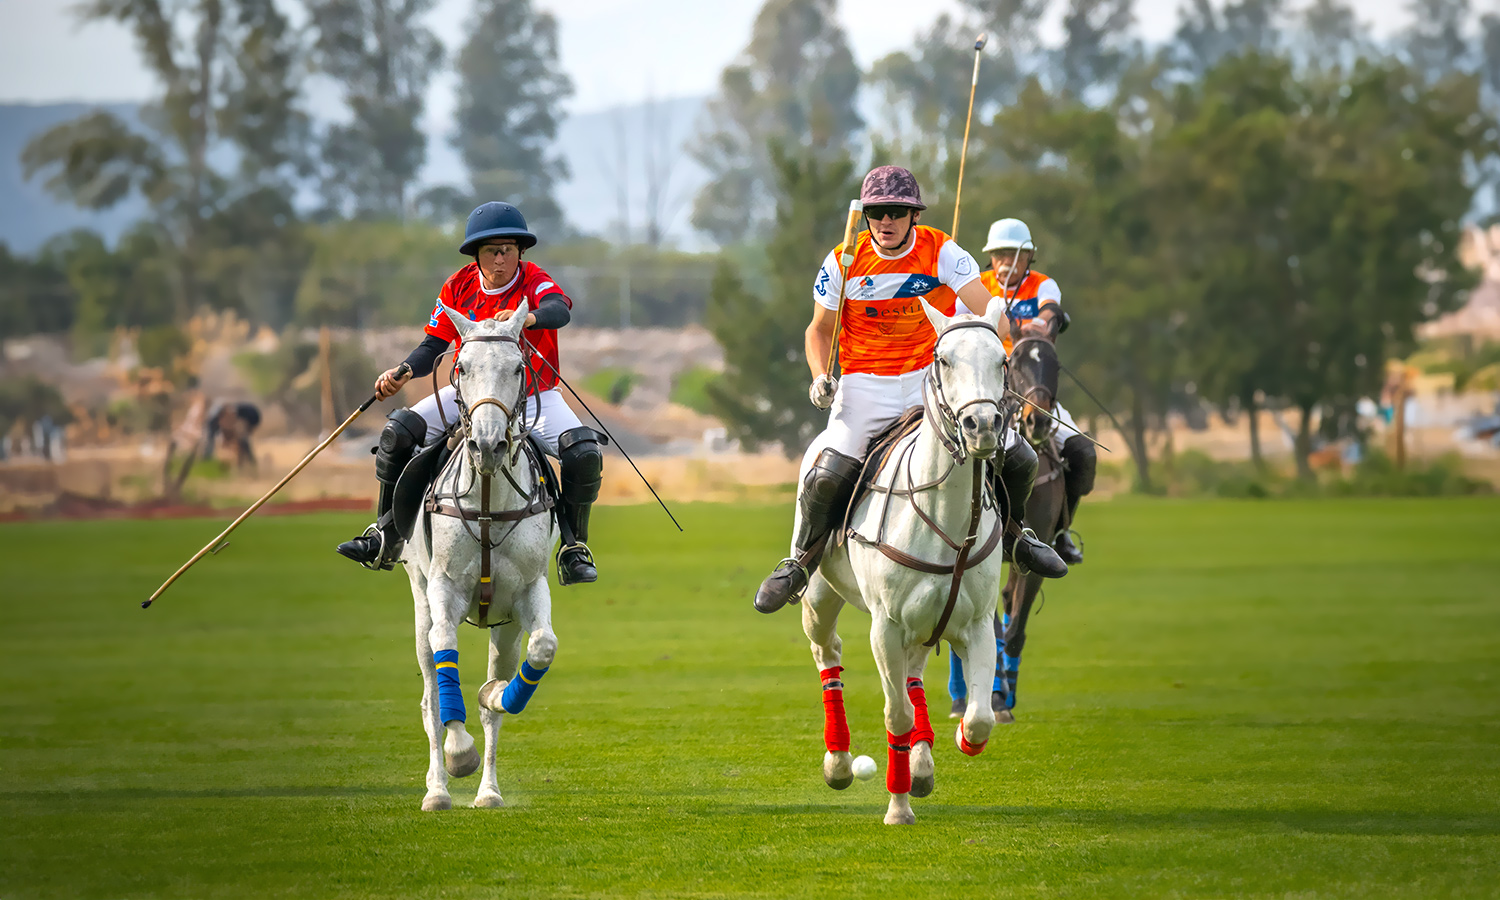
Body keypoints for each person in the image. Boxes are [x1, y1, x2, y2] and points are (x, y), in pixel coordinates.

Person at [753, 167, 1067, 615]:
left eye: (897, 211)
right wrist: (820, 374)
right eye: (878, 212)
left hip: (928, 382)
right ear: (867, 216)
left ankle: (1018, 537)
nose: (887, 221)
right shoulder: (842, 260)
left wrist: (1004, 339)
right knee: (827, 473)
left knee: (1018, 456)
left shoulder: (941, 251)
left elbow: (988, 314)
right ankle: (799, 563)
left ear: (912, 215)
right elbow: (819, 330)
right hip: (864, 385)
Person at [335, 201, 604, 585]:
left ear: (520, 252)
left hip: (534, 395)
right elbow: (433, 346)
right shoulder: (457, 287)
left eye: (508, 250)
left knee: (584, 452)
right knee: (399, 431)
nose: (500, 260)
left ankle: (574, 547)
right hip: (472, 398)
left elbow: (559, 309)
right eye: (492, 251)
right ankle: (386, 535)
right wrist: (404, 371)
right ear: (475, 254)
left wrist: (528, 317)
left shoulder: (533, 280)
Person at [980, 218, 1095, 564]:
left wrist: (1042, 324)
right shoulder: (978, 284)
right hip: (986, 388)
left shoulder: (1043, 284)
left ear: (1030, 256)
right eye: (1000, 254)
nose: (1006, 263)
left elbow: (1051, 311)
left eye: (1015, 255)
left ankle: (1060, 532)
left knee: (1082, 453)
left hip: (1033, 389)